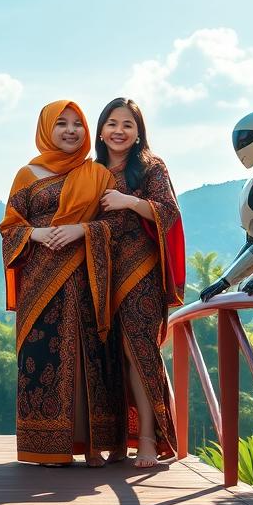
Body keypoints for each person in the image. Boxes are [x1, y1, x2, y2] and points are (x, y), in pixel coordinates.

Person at [0, 100, 121, 466]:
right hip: (40, 280)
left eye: (78, 124)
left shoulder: (98, 174)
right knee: (44, 355)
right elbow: (9, 227)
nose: (71, 130)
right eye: (61, 124)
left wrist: (81, 230)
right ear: (46, 130)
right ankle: (46, 445)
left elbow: (116, 227)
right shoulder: (28, 175)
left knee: (90, 355)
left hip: (87, 278)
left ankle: (92, 445)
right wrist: (36, 234)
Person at [97, 98, 185, 469]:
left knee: (139, 352)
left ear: (138, 132)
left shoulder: (150, 167)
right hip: (98, 273)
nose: (119, 130)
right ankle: (115, 439)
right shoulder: (91, 171)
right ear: (100, 130)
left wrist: (127, 202)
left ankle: (148, 438)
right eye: (112, 123)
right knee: (105, 354)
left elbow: (168, 212)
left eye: (127, 125)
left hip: (141, 273)